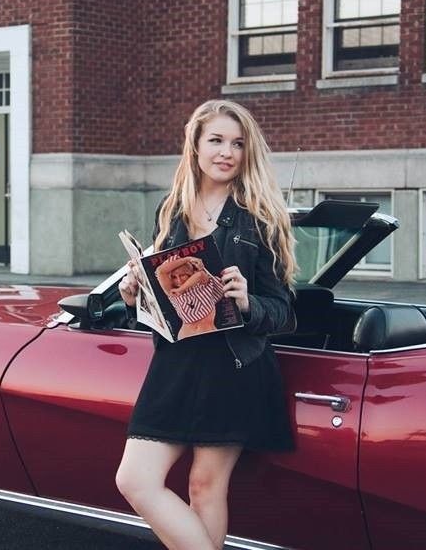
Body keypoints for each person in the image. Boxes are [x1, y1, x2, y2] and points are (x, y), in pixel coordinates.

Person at [114, 99, 297, 550]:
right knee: (135, 479)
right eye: (215, 140)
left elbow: (285, 312)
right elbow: (167, 301)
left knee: (204, 487)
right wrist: (134, 294)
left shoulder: (260, 218)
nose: (226, 152)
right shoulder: (171, 209)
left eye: (236, 143)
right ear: (194, 146)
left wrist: (248, 300)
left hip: (233, 367)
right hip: (176, 364)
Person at [155, 254, 223, 338]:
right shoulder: (172, 293)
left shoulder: (202, 284)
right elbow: (160, 271)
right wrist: (186, 259)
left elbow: (200, 275)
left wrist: (181, 289)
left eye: (182, 275)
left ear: (191, 272)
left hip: (209, 335)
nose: (178, 280)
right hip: (186, 338)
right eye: (174, 277)